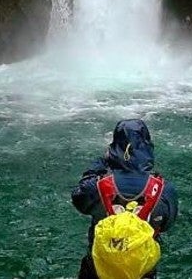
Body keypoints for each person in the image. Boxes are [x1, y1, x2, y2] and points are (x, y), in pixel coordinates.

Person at [71, 119, 178, 279]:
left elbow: (78, 200)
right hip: (140, 270)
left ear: (114, 148)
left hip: (98, 269)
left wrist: (99, 164)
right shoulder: (164, 190)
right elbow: (167, 224)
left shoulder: (97, 186)